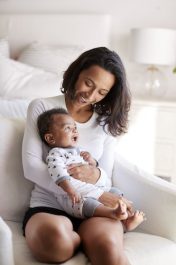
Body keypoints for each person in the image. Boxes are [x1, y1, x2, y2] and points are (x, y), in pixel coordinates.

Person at [22, 47, 143, 265]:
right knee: (56, 245)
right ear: (77, 73)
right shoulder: (42, 106)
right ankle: (79, 240)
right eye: (88, 83)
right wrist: (88, 189)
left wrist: (95, 174)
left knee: (108, 251)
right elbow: (31, 167)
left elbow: (106, 177)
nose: (91, 95)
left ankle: (93, 238)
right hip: (50, 205)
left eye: (102, 92)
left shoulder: (104, 123)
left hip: (95, 207)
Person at [37, 107, 145, 231]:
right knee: (89, 204)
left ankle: (127, 220)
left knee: (115, 192)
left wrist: (92, 161)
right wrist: (70, 190)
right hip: (76, 197)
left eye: (75, 128)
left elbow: (92, 168)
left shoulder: (79, 151)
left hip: (97, 188)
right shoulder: (56, 154)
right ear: (50, 138)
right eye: (68, 128)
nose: (74, 131)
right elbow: (58, 173)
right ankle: (114, 214)